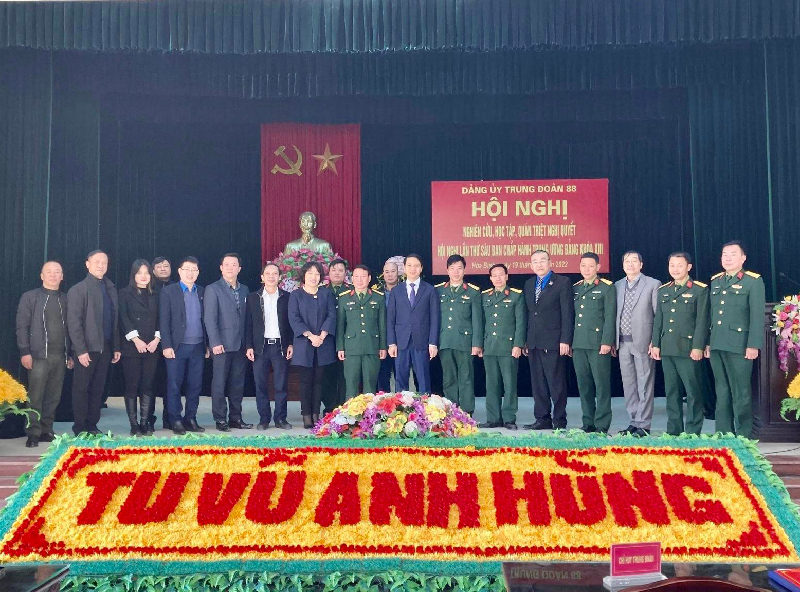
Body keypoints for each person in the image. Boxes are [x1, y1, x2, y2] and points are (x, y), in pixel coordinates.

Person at [705, 240, 765, 438]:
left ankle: (744, 434)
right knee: (721, 390)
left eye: (733, 254)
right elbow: (711, 314)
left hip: (739, 345)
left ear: (743, 258)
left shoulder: (753, 281)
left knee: (741, 391)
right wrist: (708, 342)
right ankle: (723, 433)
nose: (728, 258)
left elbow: (757, 316)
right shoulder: (716, 281)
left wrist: (753, 345)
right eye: (724, 254)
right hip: (717, 343)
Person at [651, 252, 709, 436]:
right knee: (672, 392)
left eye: (679, 265)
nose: (675, 269)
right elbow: (658, 320)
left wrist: (698, 346)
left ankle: (692, 431)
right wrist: (655, 343)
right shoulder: (664, 290)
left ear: (689, 267)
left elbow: (702, 321)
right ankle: (674, 430)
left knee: (693, 392)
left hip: (688, 348)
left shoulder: (699, 290)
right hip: (667, 347)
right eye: (672, 265)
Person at [16, 261, 72, 447]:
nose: (53, 275)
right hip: (38, 356)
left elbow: (72, 328)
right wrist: (25, 351)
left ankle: (47, 430)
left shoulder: (66, 299)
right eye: (49, 272)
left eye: (57, 272)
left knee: (53, 396)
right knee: (35, 396)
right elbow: (22, 326)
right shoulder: (30, 297)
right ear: (42, 276)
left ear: (62, 276)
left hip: (60, 356)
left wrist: (70, 354)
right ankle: (33, 432)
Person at [67, 250, 121, 436]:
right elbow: (74, 323)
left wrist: (116, 347)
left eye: (104, 262)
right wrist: (80, 350)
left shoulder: (110, 288)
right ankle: (80, 427)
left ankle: (92, 425)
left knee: (98, 389)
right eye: (97, 261)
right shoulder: (79, 289)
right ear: (87, 264)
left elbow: (114, 320)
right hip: (86, 349)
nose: (101, 265)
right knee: (81, 389)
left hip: (106, 348)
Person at [523, 250, 574, 430]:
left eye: (542, 260)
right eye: (535, 261)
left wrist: (565, 340)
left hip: (554, 341)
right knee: (538, 384)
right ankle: (542, 418)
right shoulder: (529, 284)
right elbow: (528, 314)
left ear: (550, 262)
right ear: (531, 265)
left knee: (556, 383)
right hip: (534, 341)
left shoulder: (562, 282)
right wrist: (525, 340)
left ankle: (559, 420)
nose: (539, 264)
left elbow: (567, 313)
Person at [614, 251, 660, 436]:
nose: (630, 264)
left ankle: (644, 424)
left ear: (641, 264)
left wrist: (654, 341)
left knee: (644, 384)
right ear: (623, 264)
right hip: (622, 342)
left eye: (634, 261)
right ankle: (633, 421)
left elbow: (658, 315)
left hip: (642, 341)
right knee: (629, 384)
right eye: (627, 261)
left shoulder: (653, 284)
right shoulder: (618, 285)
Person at [160, 256, 207, 435]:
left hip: (198, 346)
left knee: (195, 385)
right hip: (176, 346)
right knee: (174, 384)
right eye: (187, 269)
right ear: (179, 271)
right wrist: (166, 345)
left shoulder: (202, 291)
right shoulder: (169, 291)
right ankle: (175, 419)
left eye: (194, 270)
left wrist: (208, 345)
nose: (190, 273)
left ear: (198, 273)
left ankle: (190, 418)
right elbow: (164, 320)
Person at [204, 253, 251, 432]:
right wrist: (214, 342)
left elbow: (247, 319)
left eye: (234, 265)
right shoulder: (213, 289)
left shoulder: (244, 289)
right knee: (219, 383)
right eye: (227, 265)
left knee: (237, 384)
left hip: (240, 344)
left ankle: (236, 418)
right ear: (221, 268)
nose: (230, 268)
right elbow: (210, 318)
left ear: (239, 268)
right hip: (221, 345)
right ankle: (220, 419)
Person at [245, 262, 294, 430]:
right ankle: (264, 419)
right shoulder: (253, 297)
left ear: (280, 277)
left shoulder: (287, 297)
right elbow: (248, 324)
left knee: (281, 385)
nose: (271, 277)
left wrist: (291, 343)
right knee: (261, 385)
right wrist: (249, 346)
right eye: (268, 274)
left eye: (275, 274)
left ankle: (280, 419)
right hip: (260, 347)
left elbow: (291, 323)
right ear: (262, 277)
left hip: (280, 346)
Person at [572, 252, 616, 434]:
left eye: (591, 266)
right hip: (579, 343)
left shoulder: (607, 288)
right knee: (584, 385)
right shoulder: (576, 288)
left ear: (598, 267)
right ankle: (588, 421)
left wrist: (607, 341)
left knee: (601, 385)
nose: (587, 269)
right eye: (583, 265)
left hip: (598, 344)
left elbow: (610, 316)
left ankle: (602, 423)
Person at [289, 262, 337, 428]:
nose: (313, 277)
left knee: (319, 381)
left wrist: (321, 336)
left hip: (323, 344)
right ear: (304, 275)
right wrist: (311, 336)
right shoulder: (296, 295)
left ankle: (316, 413)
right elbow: (294, 318)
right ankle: (306, 415)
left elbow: (331, 315)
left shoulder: (326, 294)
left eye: (317, 274)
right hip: (304, 344)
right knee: (305, 381)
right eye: (310, 273)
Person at [478, 264, 525, 429]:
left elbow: (521, 322)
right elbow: (481, 322)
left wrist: (518, 345)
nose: (498, 278)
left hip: (508, 347)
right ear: (490, 278)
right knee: (491, 384)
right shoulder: (485, 296)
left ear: (506, 276)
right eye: (494, 275)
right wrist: (479, 344)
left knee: (509, 384)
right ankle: (493, 418)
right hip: (489, 346)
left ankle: (509, 419)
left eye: (501, 274)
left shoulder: (516, 296)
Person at [435, 254, 483, 415]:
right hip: (445, 340)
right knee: (448, 377)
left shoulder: (473, 292)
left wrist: (477, 343)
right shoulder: (438, 290)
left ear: (464, 270)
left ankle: (467, 411)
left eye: (459, 268)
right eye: (452, 268)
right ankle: (451, 411)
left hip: (465, 341)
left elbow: (477, 320)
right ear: (447, 270)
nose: (456, 272)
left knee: (466, 377)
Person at [118, 259, 161, 436]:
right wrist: (136, 339)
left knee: (148, 384)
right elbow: (123, 318)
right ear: (133, 275)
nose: (143, 276)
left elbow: (161, 318)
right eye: (139, 273)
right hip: (132, 347)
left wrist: (157, 339)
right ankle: (134, 424)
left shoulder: (156, 294)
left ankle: (145, 422)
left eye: (146, 273)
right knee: (132, 385)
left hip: (152, 346)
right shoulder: (124, 293)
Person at [387, 254, 440, 393]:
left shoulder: (430, 290)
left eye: (416, 266)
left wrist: (433, 343)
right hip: (401, 342)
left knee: (423, 379)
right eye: (409, 265)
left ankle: (425, 406)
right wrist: (391, 343)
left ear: (421, 268)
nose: (412, 269)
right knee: (400, 379)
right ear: (404, 268)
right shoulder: (396, 291)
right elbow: (390, 319)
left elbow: (435, 319)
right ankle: (401, 406)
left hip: (422, 341)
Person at [336, 265, 387, 400]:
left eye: (363, 276)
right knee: (351, 384)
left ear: (369, 278)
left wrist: (383, 346)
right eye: (356, 277)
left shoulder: (378, 297)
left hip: (372, 346)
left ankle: (369, 413)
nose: (360, 280)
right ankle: (351, 413)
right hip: (351, 347)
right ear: (352, 279)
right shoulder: (344, 298)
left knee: (370, 385)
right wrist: (340, 347)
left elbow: (382, 324)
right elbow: (340, 325)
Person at [323, 258, 351, 413]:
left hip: (346, 339)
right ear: (329, 272)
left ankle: (343, 407)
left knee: (344, 374)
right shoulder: (322, 290)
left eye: (341, 270)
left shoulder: (351, 290)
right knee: (327, 374)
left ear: (345, 273)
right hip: (326, 339)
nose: (337, 273)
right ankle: (329, 407)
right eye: (334, 270)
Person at [149, 255, 172, 430]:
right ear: (153, 270)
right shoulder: (148, 288)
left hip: (170, 343)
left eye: (166, 266)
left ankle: (169, 417)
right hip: (151, 343)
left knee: (170, 383)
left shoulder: (176, 287)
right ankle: (148, 418)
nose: (163, 268)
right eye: (159, 266)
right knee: (149, 383)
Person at [375, 259, 401, 392]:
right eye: (387, 272)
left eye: (393, 271)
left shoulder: (405, 290)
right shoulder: (376, 293)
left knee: (401, 376)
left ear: (398, 273)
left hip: (401, 340)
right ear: (383, 274)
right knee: (382, 377)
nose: (390, 275)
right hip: (382, 340)